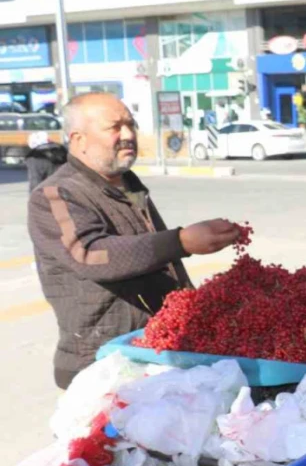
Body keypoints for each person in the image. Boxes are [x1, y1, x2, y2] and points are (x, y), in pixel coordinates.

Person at [27, 93, 241, 390]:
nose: (127, 135)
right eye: (114, 127)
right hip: (101, 365)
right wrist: (180, 241)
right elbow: (91, 254)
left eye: (131, 125)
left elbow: (164, 266)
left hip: (152, 351)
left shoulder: (130, 187)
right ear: (79, 139)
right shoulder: (55, 195)